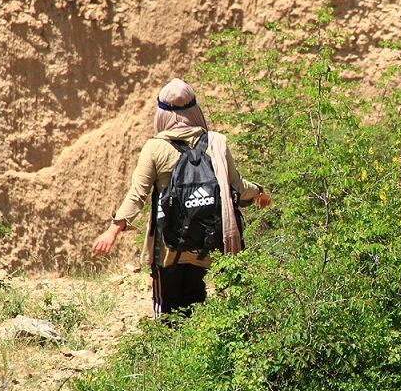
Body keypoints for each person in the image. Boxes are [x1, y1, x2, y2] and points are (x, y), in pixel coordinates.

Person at [91, 78, 270, 317]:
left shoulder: (155, 148)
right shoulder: (216, 142)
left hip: (169, 246)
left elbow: (138, 194)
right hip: (208, 241)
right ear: (195, 109)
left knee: (168, 308)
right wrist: (259, 193)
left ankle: (170, 349)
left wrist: (113, 230)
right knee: (196, 297)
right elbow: (236, 186)